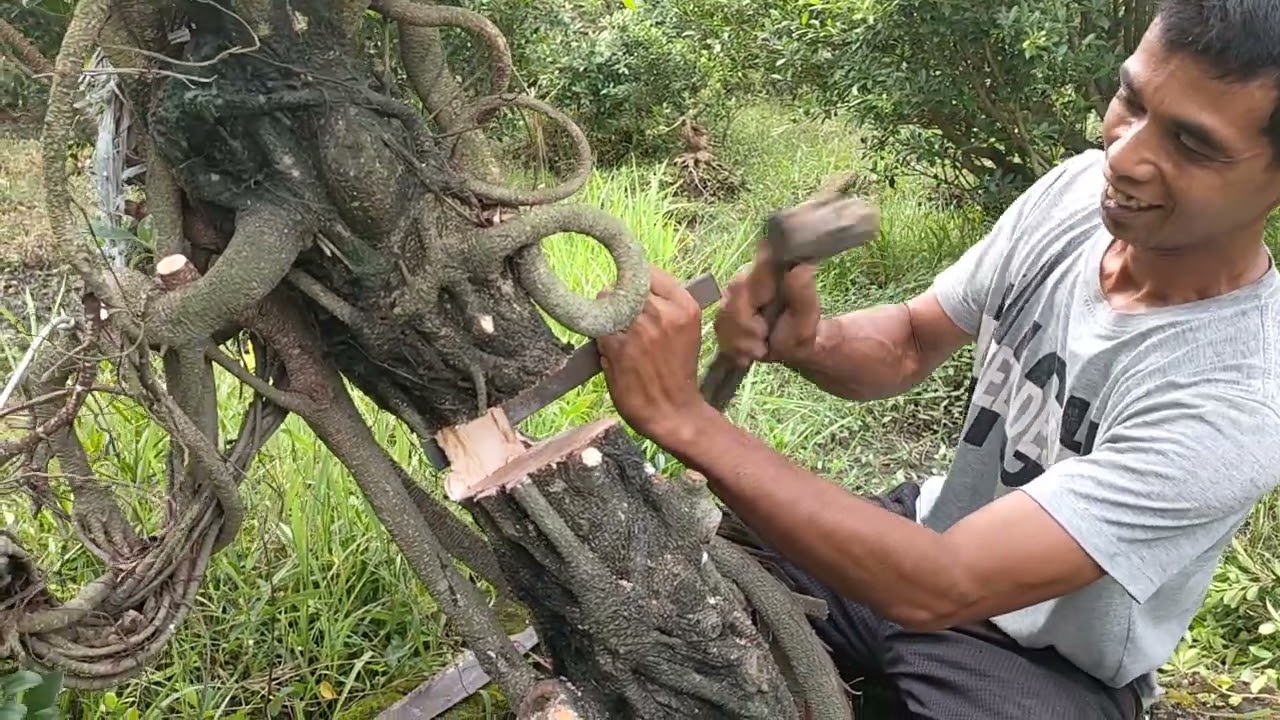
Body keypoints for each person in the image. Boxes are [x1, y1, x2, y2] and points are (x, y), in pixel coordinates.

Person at [595, 1, 1280, 718]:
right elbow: (913, 340)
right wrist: (811, 341)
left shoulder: (1240, 397)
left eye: (1194, 147)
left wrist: (684, 416)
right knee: (668, 582)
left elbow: (943, 584)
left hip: (1033, 654)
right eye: (1130, 101)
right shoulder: (1076, 194)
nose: (1127, 154)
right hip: (923, 536)